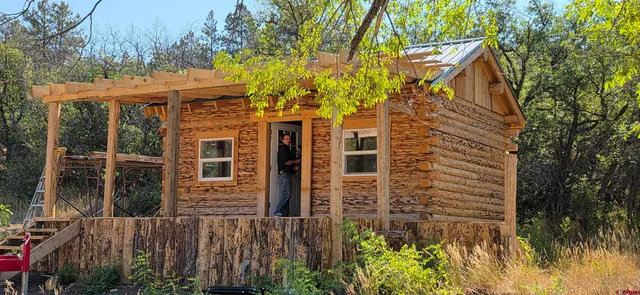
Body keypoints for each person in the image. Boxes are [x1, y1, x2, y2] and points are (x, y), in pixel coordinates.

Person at [274, 134, 300, 217]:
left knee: (287, 195)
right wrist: (296, 161)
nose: (288, 140)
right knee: (286, 194)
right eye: (286, 139)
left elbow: (289, 164)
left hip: (287, 174)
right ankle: (277, 211)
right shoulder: (283, 149)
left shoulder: (287, 150)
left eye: (289, 139)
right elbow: (286, 162)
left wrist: (294, 169)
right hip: (284, 174)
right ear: (283, 141)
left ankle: (284, 214)